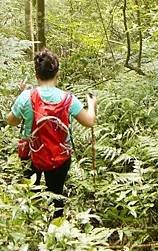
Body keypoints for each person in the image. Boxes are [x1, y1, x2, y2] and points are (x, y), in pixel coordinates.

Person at [6, 48, 97, 218]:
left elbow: (11, 121)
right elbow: (89, 122)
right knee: (57, 196)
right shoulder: (68, 99)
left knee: (30, 193)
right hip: (60, 157)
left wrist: (21, 97)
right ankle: (57, 230)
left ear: (36, 73)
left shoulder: (26, 96)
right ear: (57, 73)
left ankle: (33, 224)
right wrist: (91, 104)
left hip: (30, 154)